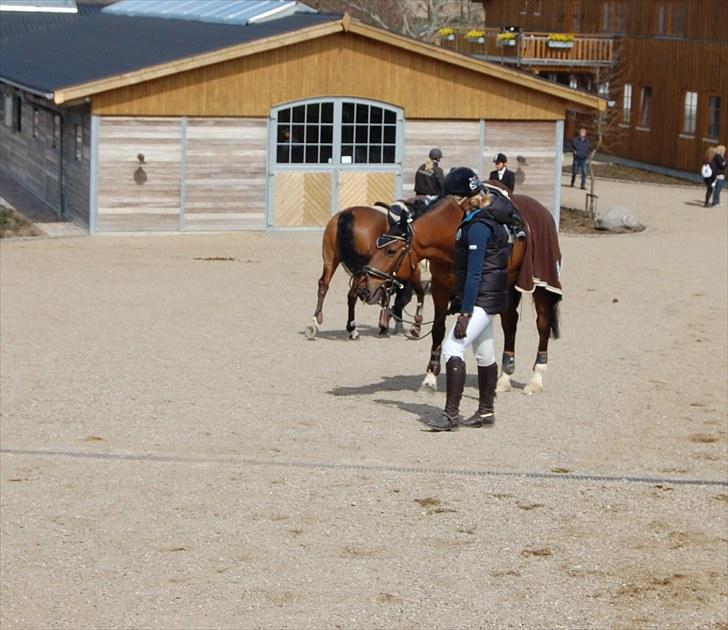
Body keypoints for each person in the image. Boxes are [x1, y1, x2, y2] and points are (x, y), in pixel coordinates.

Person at [420, 167, 512, 432]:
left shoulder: (478, 228)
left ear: (459, 198)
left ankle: (450, 415)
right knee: (484, 353)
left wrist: (466, 311)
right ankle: (486, 412)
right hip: (488, 295)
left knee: (452, 348)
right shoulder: (479, 218)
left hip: (482, 298)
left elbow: (474, 272)